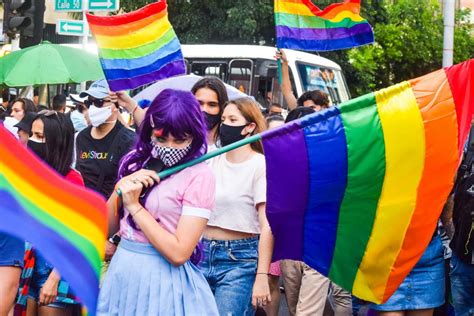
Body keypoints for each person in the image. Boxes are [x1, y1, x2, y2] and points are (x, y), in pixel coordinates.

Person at [97, 89, 218, 315]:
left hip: (164, 282)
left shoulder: (200, 175)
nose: (169, 146)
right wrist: (121, 188)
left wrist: (135, 207)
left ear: (194, 135)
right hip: (122, 275)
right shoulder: (135, 162)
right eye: (161, 138)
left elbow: (179, 253)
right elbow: (102, 229)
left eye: (180, 139)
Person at [199, 97, 273, 316]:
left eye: (232, 119)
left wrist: (262, 276)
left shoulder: (260, 164)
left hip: (239, 260)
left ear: (250, 127)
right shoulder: (211, 159)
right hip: (200, 253)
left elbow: (267, 225)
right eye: (223, 119)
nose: (224, 125)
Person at [281, 106, 352, 316]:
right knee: (295, 308)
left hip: (320, 246)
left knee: (307, 312)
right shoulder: (281, 163)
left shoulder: (334, 161)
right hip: (290, 247)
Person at [18, 110, 84, 315]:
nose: (33, 142)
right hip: (27, 264)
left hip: (58, 270)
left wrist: (54, 279)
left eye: (40, 137)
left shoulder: (72, 180)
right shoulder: (26, 174)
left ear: (57, 142)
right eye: (32, 135)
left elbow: (75, 236)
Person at [117, 76, 229, 150]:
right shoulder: (179, 133)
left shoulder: (229, 145)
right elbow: (150, 126)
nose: (204, 109)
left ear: (222, 107)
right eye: (199, 103)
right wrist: (127, 102)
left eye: (212, 105)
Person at [75, 79, 135, 199]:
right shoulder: (81, 137)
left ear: (116, 106)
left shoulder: (128, 140)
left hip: (110, 211)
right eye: (89, 102)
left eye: (98, 102)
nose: (92, 107)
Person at [447, 123, 474, 316]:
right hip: (463, 257)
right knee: (462, 312)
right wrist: (452, 233)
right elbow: (449, 194)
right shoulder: (468, 150)